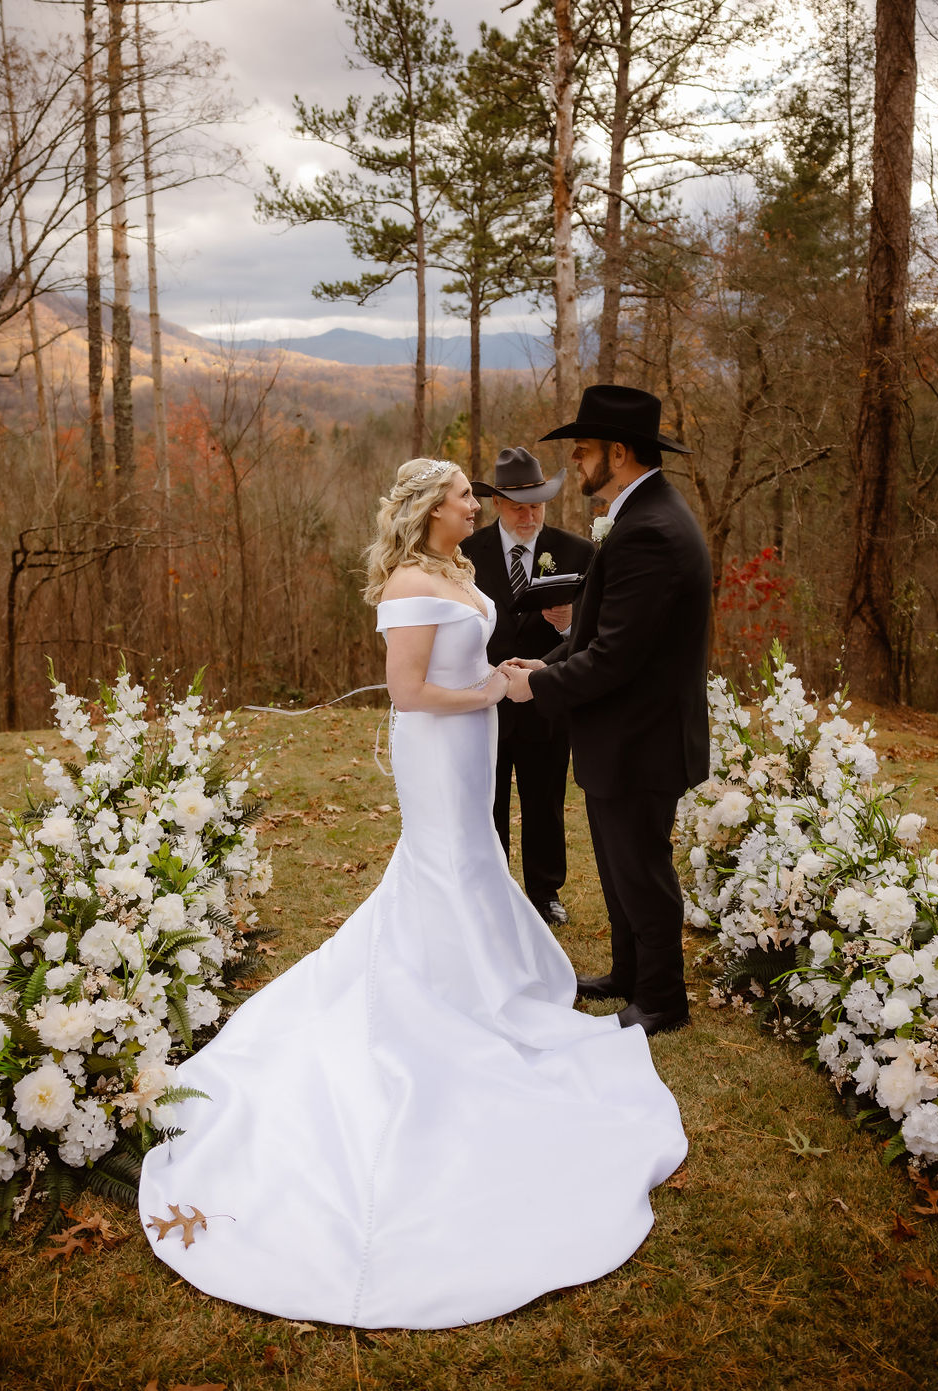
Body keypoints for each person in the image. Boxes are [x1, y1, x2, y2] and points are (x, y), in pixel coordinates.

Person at [139, 457, 687, 1330]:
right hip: (439, 745)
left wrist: (501, 669)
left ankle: (471, 980)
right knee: (445, 862)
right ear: (434, 508)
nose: (481, 502)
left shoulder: (458, 572)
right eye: (468, 493)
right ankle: (442, 994)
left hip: (469, 739)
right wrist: (488, 692)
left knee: (473, 858)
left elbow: (459, 659)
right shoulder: (405, 580)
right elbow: (407, 691)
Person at [502, 387, 712, 1038]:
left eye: (585, 449)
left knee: (642, 872)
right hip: (622, 735)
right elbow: (603, 631)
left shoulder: (651, 530)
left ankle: (662, 1000)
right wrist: (550, 662)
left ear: (619, 453)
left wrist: (537, 688)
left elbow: (618, 656)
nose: (577, 459)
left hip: (640, 738)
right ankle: (628, 976)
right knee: (621, 869)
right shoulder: (641, 515)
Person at [461, 447, 594, 926]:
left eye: (537, 503)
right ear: (496, 503)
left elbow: (593, 636)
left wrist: (565, 627)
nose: (528, 513)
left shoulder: (578, 552)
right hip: (483, 696)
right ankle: (494, 889)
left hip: (545, 696)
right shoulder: (465, 555)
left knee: (545, 800)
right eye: (518, 504)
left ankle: (544, 893)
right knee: (488, 799)